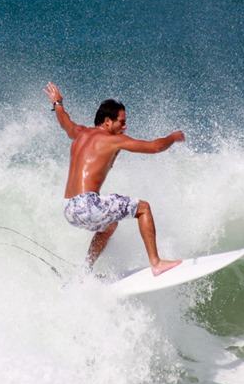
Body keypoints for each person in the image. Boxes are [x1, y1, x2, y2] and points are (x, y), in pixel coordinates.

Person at [44, 81, 185, 276]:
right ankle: (156, 263)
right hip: (87, 205)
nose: (125, 126)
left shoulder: (79, 133)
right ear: (107, 121)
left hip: (69, 208)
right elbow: (154, 147)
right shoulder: (113, 140)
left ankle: (84, 271)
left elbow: (64, 120)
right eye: (121, 122)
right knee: (143, 208)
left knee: (109, 226)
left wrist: (58, 103)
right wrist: (173, 137)